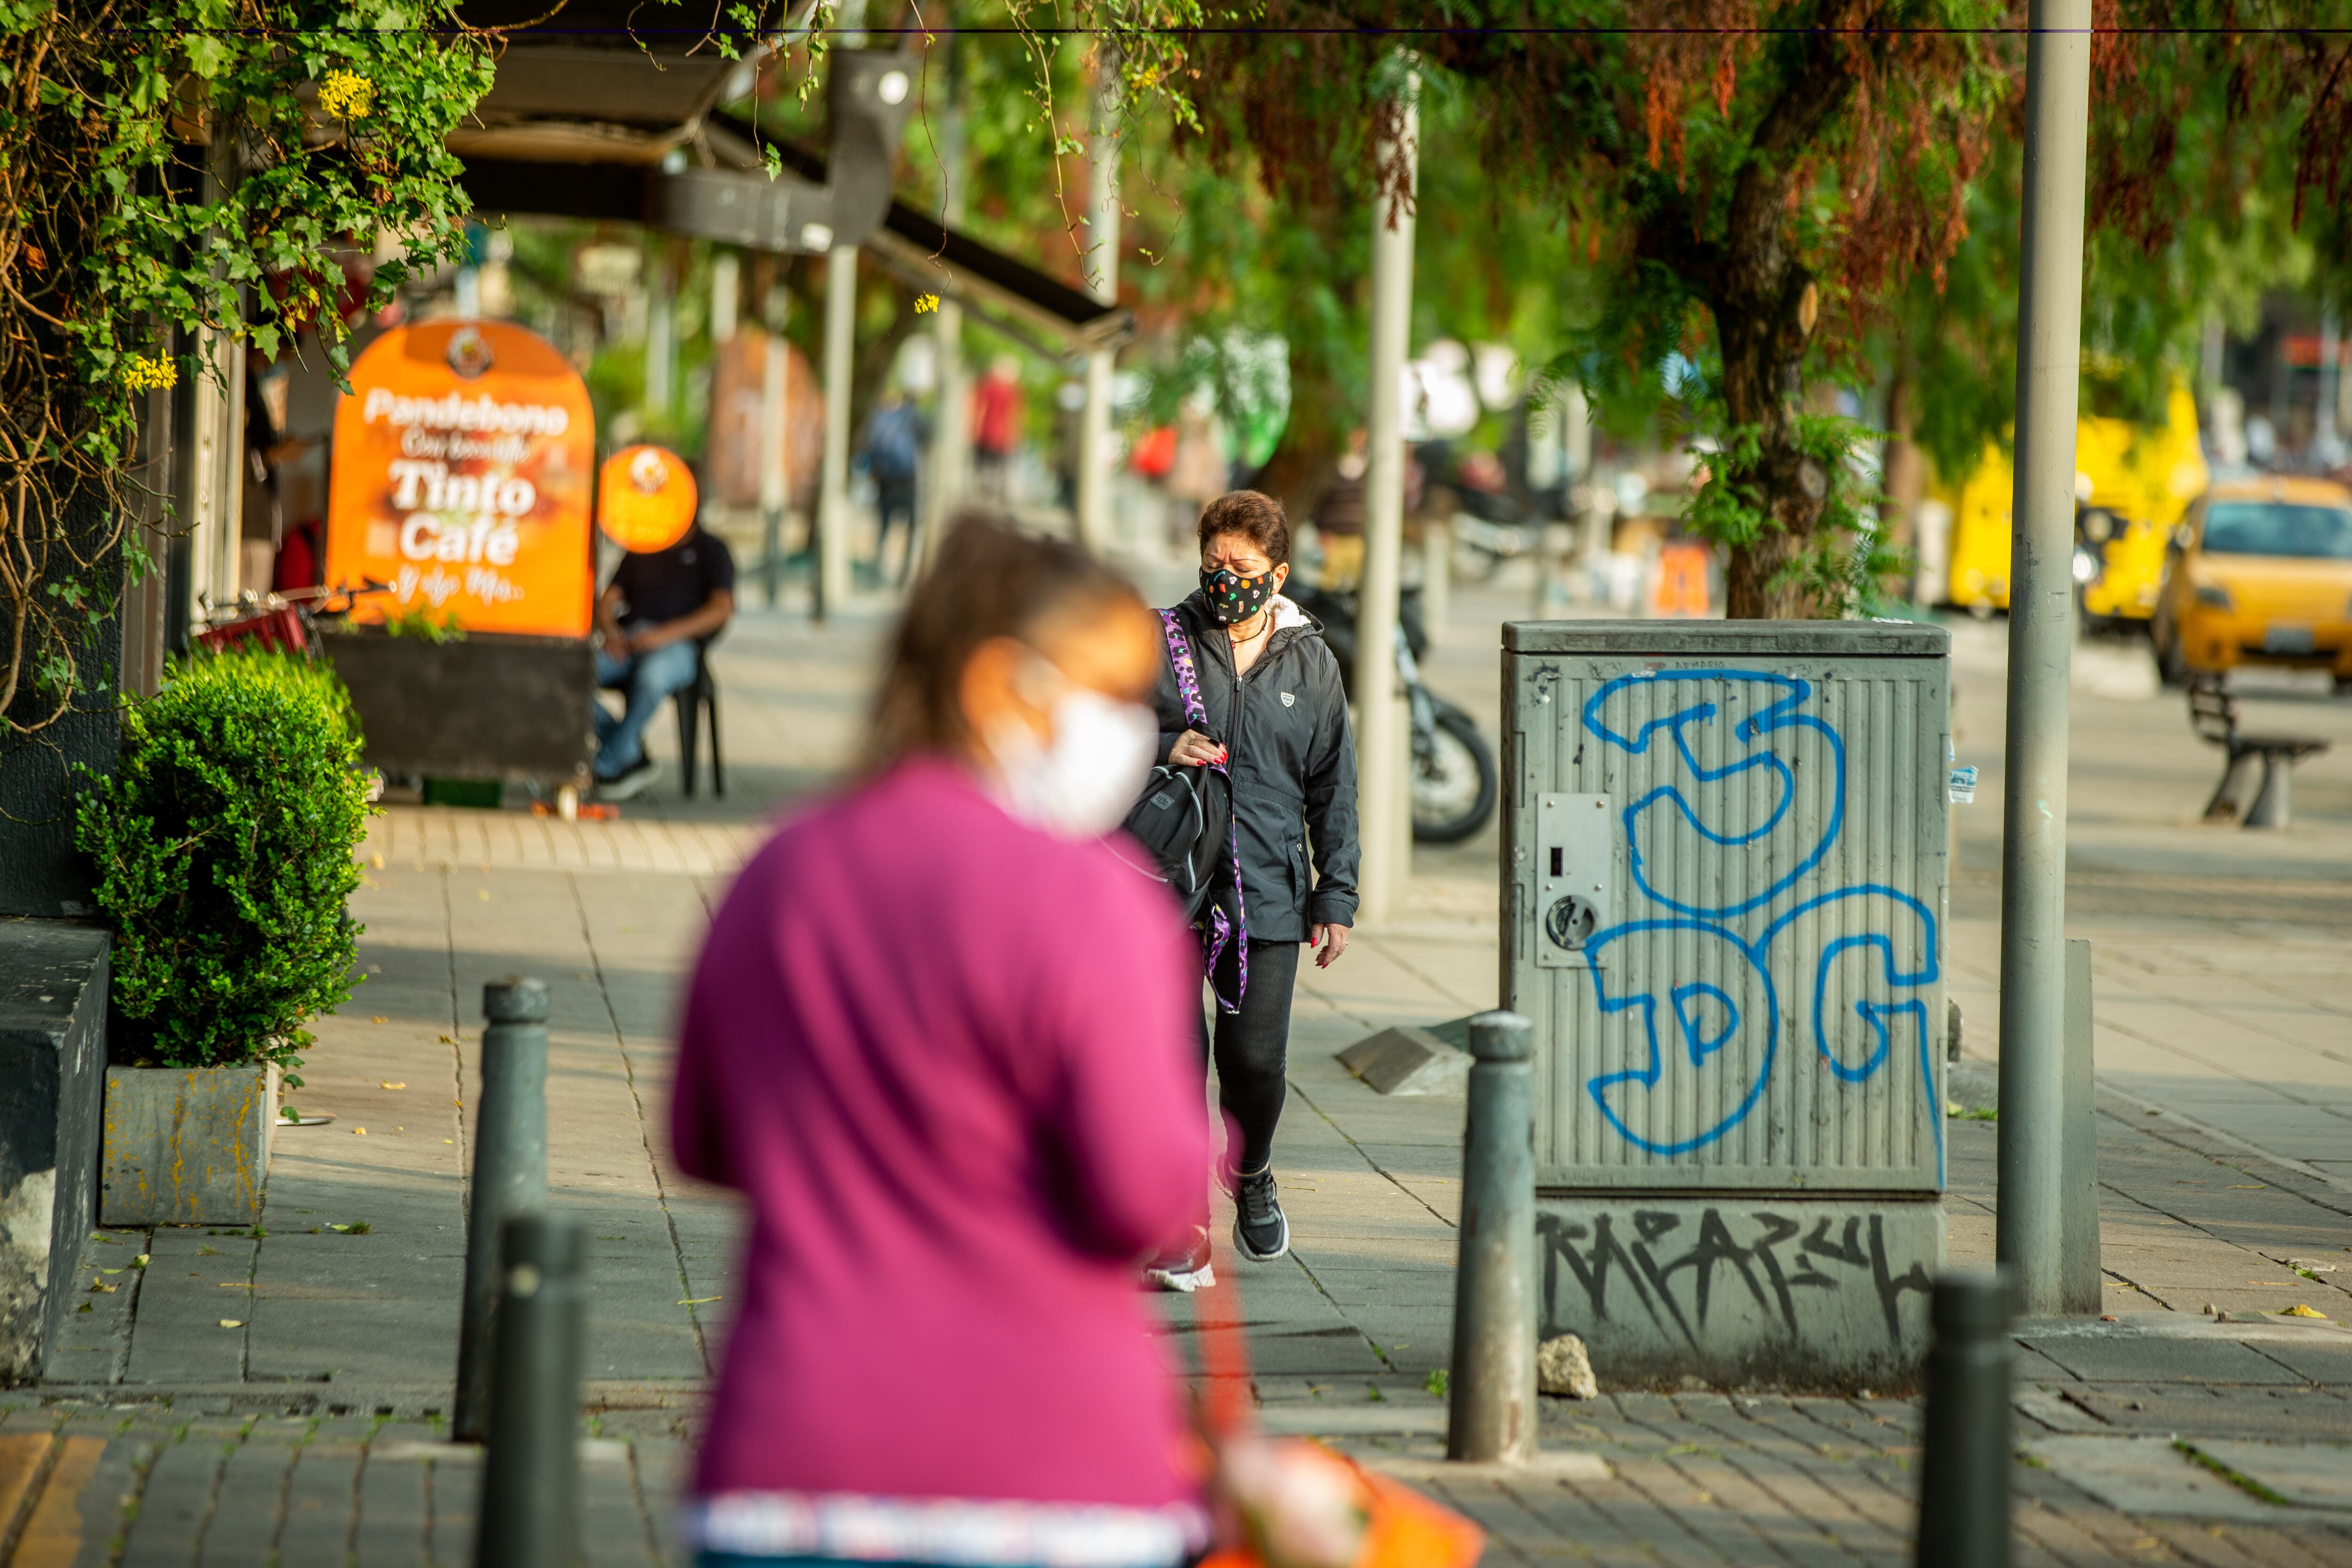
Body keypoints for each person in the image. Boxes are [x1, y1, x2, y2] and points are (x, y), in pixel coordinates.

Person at [669, 512, 1212, 1568]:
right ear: (996, 683)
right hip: (1050, 1477)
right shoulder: (1094, 902)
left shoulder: (783, 870)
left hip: (788, 1469)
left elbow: (703, 1139)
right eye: (1107, 694)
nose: (1130, 729)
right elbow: (1142, 1192)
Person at [1145, 489, 1358, 1289]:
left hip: (1265, 890)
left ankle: (1255, 1167)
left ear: (1279, 572)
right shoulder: (1158, 641)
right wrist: (1165, 742)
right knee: (1170, 1060)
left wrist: (1336, 896)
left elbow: (1335, 784)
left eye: (1243, 567)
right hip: (1165, 888)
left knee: (1254, 1061)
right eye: (1213, 564)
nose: (1225, 580)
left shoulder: (1311, 661)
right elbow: (1096, 730)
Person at [593, 519, 735, 801]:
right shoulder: (643, 546)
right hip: (628, 640)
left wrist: (664, 635)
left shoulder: (713, 550)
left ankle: (607, 763)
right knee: (570, 676)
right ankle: (628, 751)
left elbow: (721, 610)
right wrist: (611, 631)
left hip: (679, 645)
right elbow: (608, 601)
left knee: (653, 677)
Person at [862, 388, 926, 585]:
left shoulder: (877, 418)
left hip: (885, 481)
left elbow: (867, 449)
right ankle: (905, 571)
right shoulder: (909, 416)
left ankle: (877, 568)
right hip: (907, 479)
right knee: (912, 526)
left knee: (884, 527)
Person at [971, 355, 1024, 502]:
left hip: (989, 435)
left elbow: (981, 410)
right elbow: (1017, 415)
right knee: (1003, 469)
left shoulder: (989, 386)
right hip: (1005, 436)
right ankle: (1002, 496)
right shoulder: (1014, 390)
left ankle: (987, 495)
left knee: (987, 468)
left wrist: (976, 430)